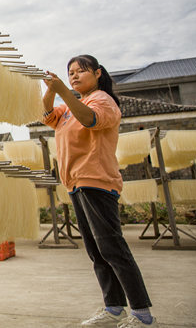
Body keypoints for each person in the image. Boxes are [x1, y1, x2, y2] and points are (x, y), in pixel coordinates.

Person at [43, 55, 156, 327]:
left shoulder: (102, 100)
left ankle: (142, 314)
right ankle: (114, 307)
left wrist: (64, 92)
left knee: (112, 247)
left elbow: (91, 120)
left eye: (81, 71)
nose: (74, 76)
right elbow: (47, 115)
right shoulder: (71, 106)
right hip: (77, 183)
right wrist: (50, 90)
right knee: (96, 251)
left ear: (98, 73)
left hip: (96, 181)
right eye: (70, 73)